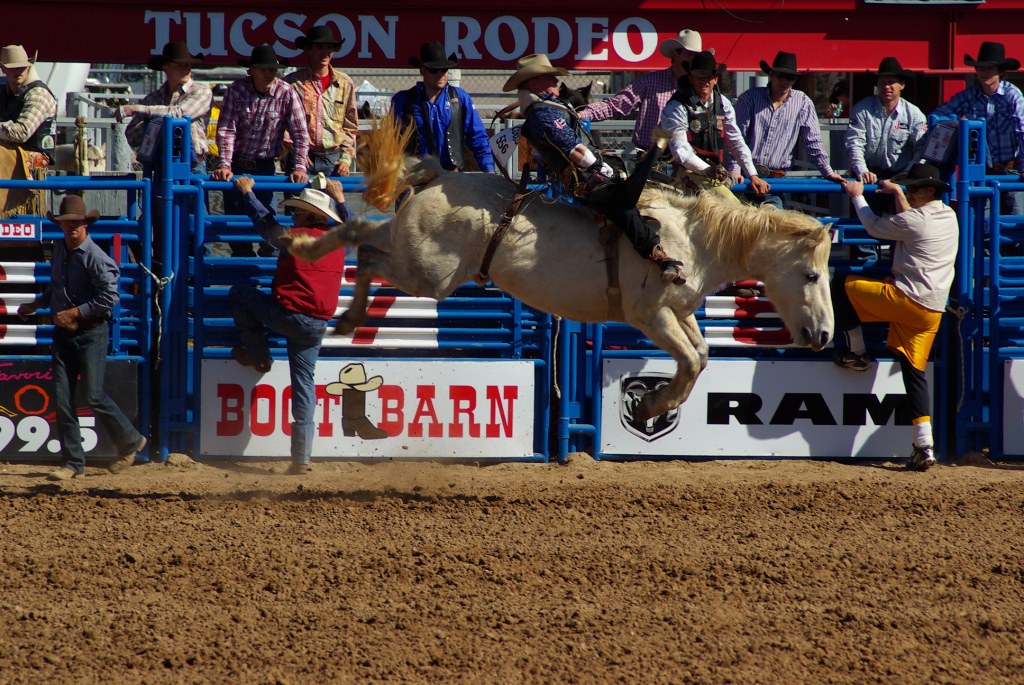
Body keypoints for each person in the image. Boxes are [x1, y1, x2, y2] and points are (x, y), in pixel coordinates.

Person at [505, 53, 684, 284]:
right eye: (549, 77)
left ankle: (653, 158)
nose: (554, 81)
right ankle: (659, 256)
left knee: (635, 189)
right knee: (624, 205)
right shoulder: (543, 114)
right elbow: (574, 150)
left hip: (589, 174)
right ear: (534, 83)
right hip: (588, 181)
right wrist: (600, 167)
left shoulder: (546, 109)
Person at [831, 163, 958, 471]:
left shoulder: (917, 220)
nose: (911, 192)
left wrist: (857, 196)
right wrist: (899, 192)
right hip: (932, 311)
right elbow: (909, 220)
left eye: (914, 188)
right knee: (914, 373)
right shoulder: (949, 215)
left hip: (906, 300)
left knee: (841, 285)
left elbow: (875, 225)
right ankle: (924, 445)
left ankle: (856, 352)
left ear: (928, 191)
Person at [17, 195, 147, 481]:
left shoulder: (95, 257)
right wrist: (38, 305)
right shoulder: (61, 252)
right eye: (67, 223)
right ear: (62, 226)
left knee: (92, 394)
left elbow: (110, 297)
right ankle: (73, 462)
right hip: (65, 333)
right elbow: (57, 289)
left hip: (90, 332)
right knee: (63, 398)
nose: (72, 228)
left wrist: (74, 312)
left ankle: (129, 439)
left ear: (85, 224)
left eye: (76, 223)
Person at [228, 176, 352, 473]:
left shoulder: (294, 238)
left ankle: (259, 356)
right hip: (317, 325)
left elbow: (264, 222)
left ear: (309, 215)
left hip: (290, 316)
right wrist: (342, 199)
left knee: (240, 293)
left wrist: (248, 193)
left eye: (297, 211)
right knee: (304, 385)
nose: (293, 215)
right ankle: (301, 459)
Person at [212, 43, 310, 257]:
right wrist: (225, 164)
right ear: (252, 70)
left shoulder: (287, 92)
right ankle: (246, 279)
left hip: (266, 166)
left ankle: (268, 279)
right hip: (238, 164)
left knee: (270, 227)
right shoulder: (236, 91)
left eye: (272, 70)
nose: (269, 74)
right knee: (237, 228)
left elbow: (301, 133)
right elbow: (227, 130)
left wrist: (300, 166)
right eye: (264, 69)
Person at [731, 51, 844, 207]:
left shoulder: (803, 102)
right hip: (746, 178)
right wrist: (735, 171)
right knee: (738, 229)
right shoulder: (749, 98)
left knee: (774, 227)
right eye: (780, 75)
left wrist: (828, 172)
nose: (784, 81)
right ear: (771, 74)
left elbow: (813, 143)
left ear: (794, 80)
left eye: (789, 77)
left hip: (775, 182)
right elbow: (736, 139)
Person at [578, 28, 709, 160]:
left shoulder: (701, 88)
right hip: (650, 157)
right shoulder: (650, 82)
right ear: (675, 54)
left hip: (689, 159)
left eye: (696, 56)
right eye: (689, 54)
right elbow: (616, 105)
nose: (693, 60)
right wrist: (582, 114)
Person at [659, 51, 770, 201]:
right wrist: (708, 171)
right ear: (691, 78)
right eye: (699, 76)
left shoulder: (723, 103)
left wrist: (752, 174)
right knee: (730, 204)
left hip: (716, 173)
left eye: (708, 77)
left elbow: (736, 140)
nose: (704, 81)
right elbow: (681, 150)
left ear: (715, 79)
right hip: (685, 172)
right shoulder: (677, 106)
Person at [931, 41, 1024, 216]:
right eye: (980, 68)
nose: (983, 72)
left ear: (1001, 72)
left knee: (1015, 221)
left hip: (1011, 170)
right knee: (981, 221)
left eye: (988, 68)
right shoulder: (970, 95)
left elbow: (1022, 130)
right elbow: (939, 116)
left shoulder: (1013, 95)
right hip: (981, 171)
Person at [390, 42, 494, 173]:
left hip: (451, 176)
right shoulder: (402, 99)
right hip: (413, 174)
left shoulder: (460, 98)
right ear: (422, 71)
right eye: (434, 70)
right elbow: (391, 141)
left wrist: (489, 170)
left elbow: (478, 137)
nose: (441, 74)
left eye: (444, 69)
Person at [845, 57, 928, 216]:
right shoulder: (862, 110)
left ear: (901, 85)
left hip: (899, 181)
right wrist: (863, 171)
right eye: (882, 82)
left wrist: (906, 176)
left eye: (891, 82)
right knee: (861, 230)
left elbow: (921, 150)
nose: (887, 87)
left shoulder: (914, 114)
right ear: (877, 84)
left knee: (899, 231)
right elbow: (854, 143)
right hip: (868, 179)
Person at [119, 41, 212, 177]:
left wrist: (140, 110)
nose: (185, 69)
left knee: (191, 196)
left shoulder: (201, 91)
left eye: (188, 65)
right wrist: (153, 127)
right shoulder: (153, 98)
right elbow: (132, 136)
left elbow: (179, 113)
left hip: (193, 166)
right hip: (160, 167)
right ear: (166, 67)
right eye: (180, 65)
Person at [284, 25, 358, 178]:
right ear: (309, 50)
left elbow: (350, 126)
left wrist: (345, 159)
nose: (325, 53)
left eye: (329, 48)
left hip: (333, 159)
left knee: (331, 201)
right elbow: (282, 122)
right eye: (320, 48)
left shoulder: (345, 83)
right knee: (298, 202)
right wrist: (297, 152)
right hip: (302, 159)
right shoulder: (292, 83)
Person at [0, 44, 57, 158]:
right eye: (13, 67)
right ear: (3, 69)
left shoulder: (39, 94)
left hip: (36, 162)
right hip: (10, 156)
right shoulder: (4, 92)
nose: (19, 71)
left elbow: (22, 133)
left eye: (23, 66)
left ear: (29, 67)